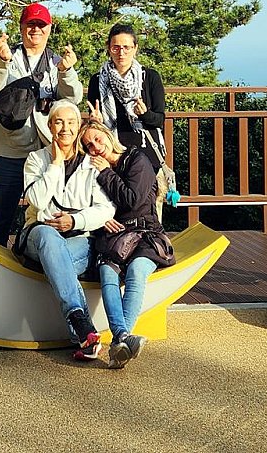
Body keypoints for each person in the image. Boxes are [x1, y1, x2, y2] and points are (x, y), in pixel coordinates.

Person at [19, 100, 114, 361]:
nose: (65, 128)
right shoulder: (36, 160)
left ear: (78, 126)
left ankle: (84, 333)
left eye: (71, 122)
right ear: (50, 126)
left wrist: (75, 221)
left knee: (57, 260)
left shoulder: (91, 163)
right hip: (38, 235)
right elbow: (37, 200)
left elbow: (105, 209)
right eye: (59, 122)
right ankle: (80, 321)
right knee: (48, 237)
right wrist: (55, 164)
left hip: (78, 239)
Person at [0, 2, 81, 245]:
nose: (35, 29)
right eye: (30, 24)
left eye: (41, 25)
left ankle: (39, 261)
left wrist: (66, 72)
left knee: (47, 216)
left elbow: (73, 99)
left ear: (49, 29)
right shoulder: (9, 57)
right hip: (10, 151)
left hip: (46, 151)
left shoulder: (56, 62)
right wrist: (1, 62)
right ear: (21, 27)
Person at [84, 118, 168, 369]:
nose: (95, 147)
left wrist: (106, 173)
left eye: (97, 139)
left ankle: (119, 340)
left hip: (145, 233)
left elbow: (132, 200)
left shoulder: (136, 159)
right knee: (107, 272)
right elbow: (88, 203)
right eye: (88, 146)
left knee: (137, 271)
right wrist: (101, 219)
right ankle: (122, 338)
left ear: (108, 135)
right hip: (114, 236)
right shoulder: (91, 170)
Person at [88, 23, 165, 154]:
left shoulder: (150, 77)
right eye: (116, 48)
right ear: (109, 48)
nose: (121, 53)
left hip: (146, 150)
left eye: (127, 47)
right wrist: (95, 122)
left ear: (135, 48)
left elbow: (159, 120)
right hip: (112, 151)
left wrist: (145, 114)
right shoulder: (97, 80)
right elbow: (95, 122)